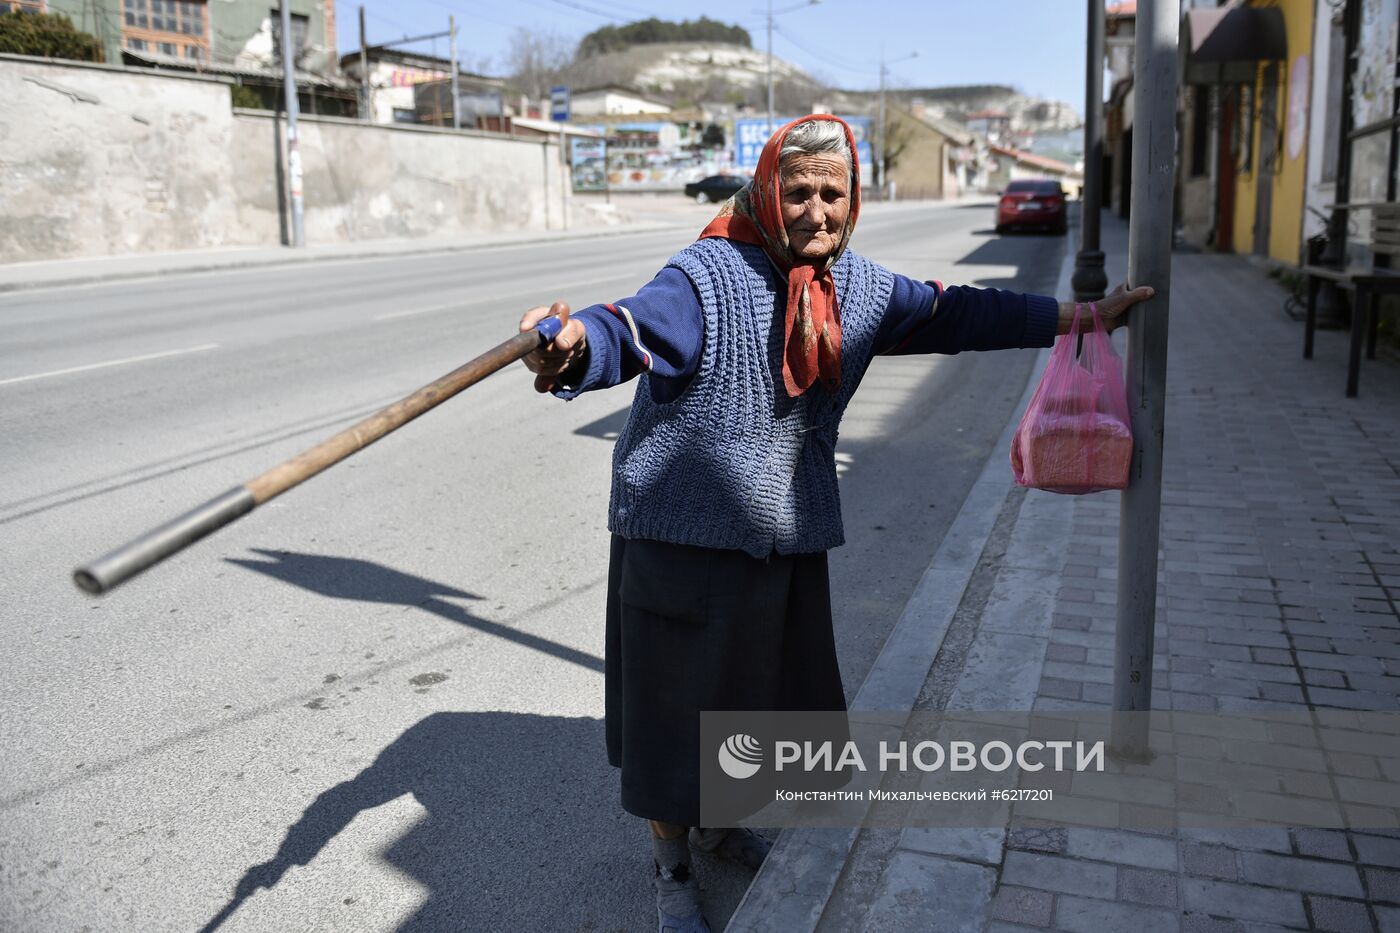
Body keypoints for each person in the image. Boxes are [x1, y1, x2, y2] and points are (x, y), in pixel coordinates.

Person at [518, 114, 1153, 933]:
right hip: (680, 538)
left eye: (833, 193)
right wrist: (571, 345)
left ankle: (719, 823)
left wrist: (1081, 318)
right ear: (766, 192)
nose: (816, 211)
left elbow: (961, 313)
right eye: (798, 192)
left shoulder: (859, 289)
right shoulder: (708, 275)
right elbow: (629, 328)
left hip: (781, 534)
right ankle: (672, 869)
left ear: (853, 202)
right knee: (675, 720)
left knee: (756, 705)